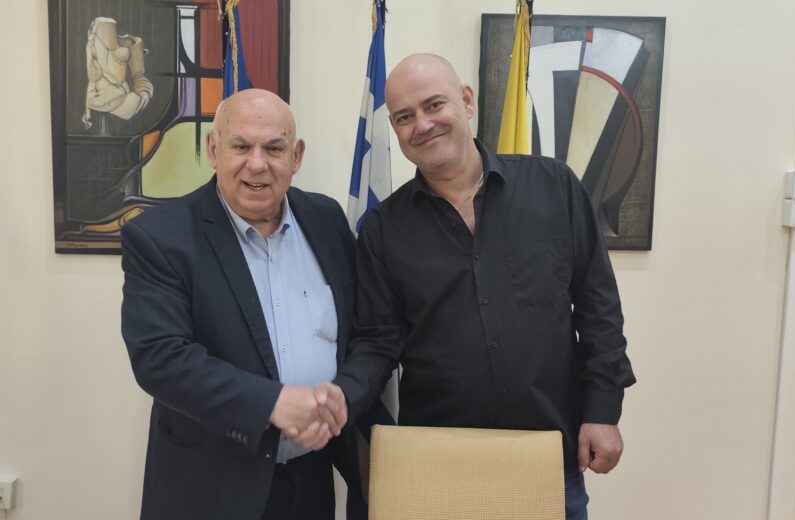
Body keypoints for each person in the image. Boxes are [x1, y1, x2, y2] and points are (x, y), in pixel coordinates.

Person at [327, 53, 637, 519]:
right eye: (404, 117)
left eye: (434, 104)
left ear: (467, 101)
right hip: (436, 466)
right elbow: (376, 341)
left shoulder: (555, 188)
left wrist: (603, 409)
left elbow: (599, 309)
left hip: (548, 460)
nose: (422, 124)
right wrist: (340, 397)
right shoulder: (382, 230)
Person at [120, 88, 351, 520]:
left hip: (310, 484)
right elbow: (160, 358)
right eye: (241, 146)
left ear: (297, 156)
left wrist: (344, 395)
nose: (257, 164)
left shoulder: (327, 220)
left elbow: (357, 332)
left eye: (274, 148)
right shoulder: (161, 237)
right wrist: (272, 402)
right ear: (214, 149)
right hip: (211, 489)